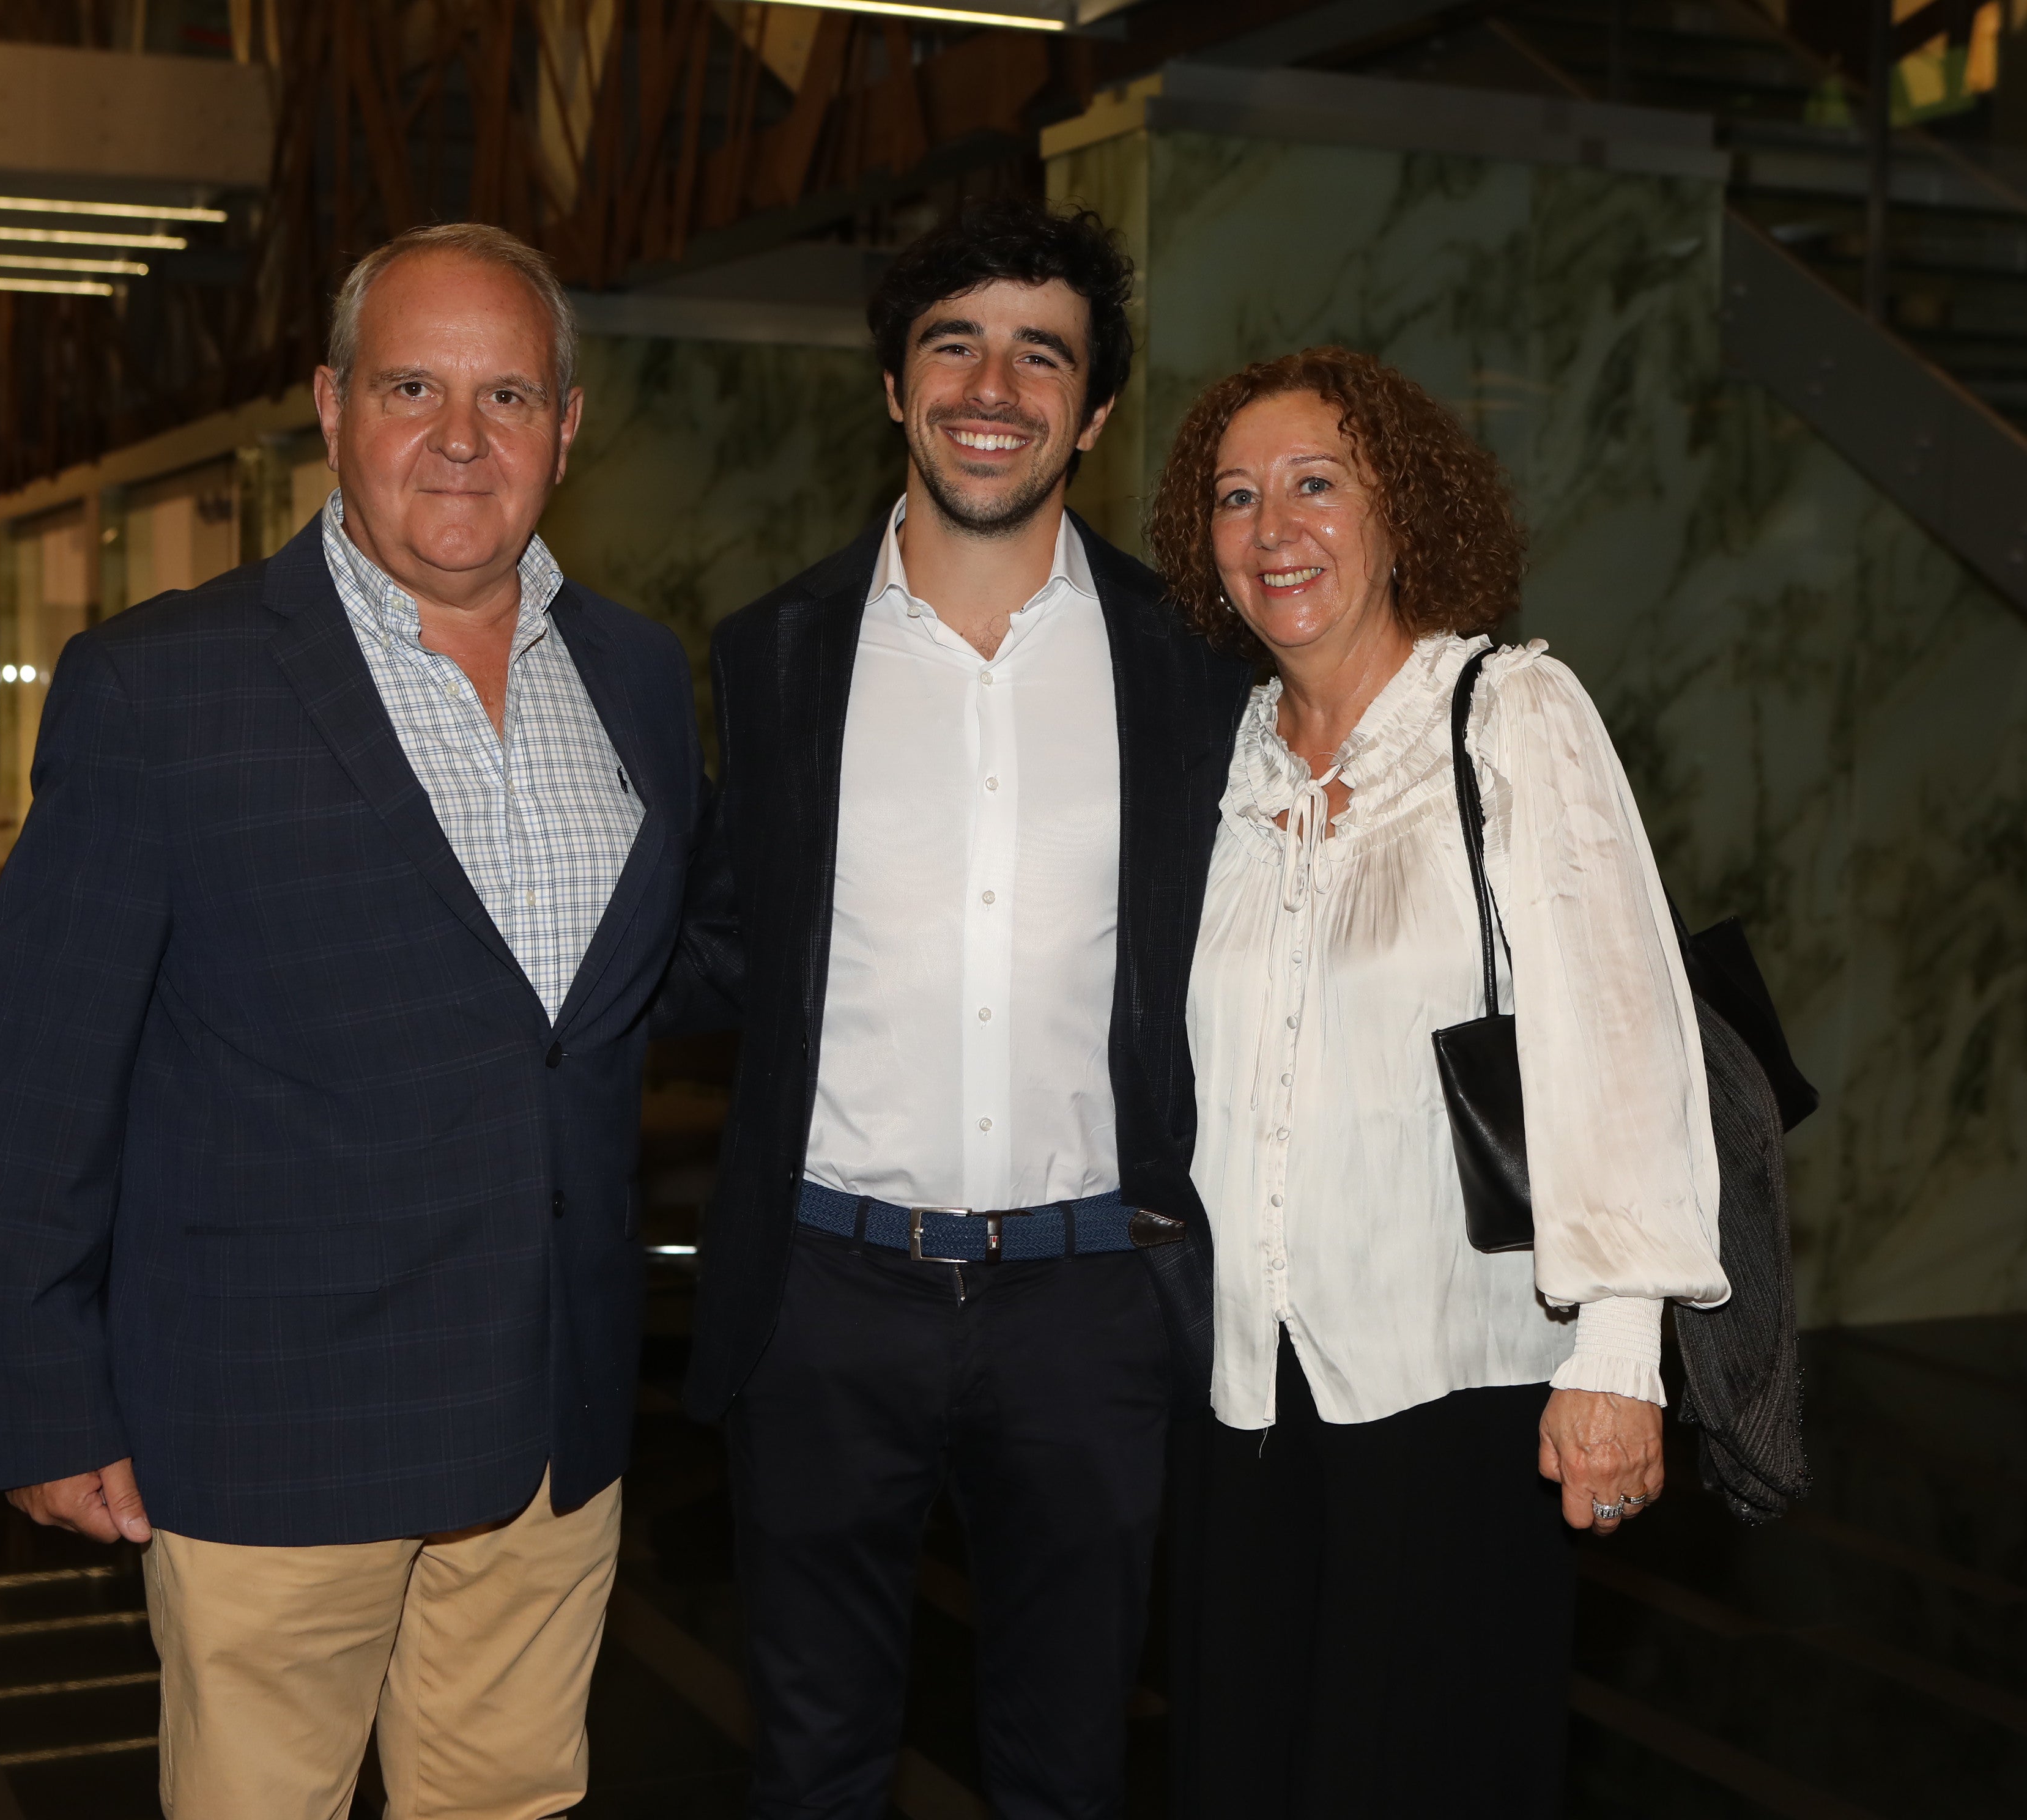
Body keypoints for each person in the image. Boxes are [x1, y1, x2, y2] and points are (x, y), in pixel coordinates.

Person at [0, 222, 701, 1820]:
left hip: (551, 1423)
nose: (460, 436)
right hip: (272, 1420)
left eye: (509, 396)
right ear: (330, 405)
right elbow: (38, 1080)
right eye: (412, 386)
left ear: (568, 428)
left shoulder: (638, 678)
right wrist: (43, 1399)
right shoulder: (160, 689)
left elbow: (608, 1008)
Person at [668, 198, 1254, 1818]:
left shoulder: (1191, 664)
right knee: (812, 1761)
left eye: (1040, 355)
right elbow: (725, 936)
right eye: (955, 345)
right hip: (825, 1296)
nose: (993, 387)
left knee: (1070, 1768)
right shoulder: (776, 653)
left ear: (1097, 410)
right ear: (893, 385)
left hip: (1089, 1303)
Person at [1145, 347, 1730, 1818]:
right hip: (1240, 1390)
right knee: (1244, 1770)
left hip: (1458, 1390)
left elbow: (1621, 1031)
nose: (1274, 528)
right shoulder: (1220, 760)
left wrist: (1619, 1354)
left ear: (1401, 509)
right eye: (1236, 497)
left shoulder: (1508, 717)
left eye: (1316, 484)